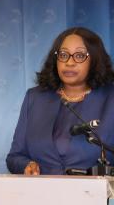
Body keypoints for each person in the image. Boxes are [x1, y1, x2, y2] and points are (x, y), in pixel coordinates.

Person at [6, 27, 114, 175]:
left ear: (94, 59)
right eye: (63, 55)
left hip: (94, 196)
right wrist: (26, 165)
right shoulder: (35, 98)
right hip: (40, 194)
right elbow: (14, 157)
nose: (69, 62)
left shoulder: (110, 99)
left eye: (79, 55)